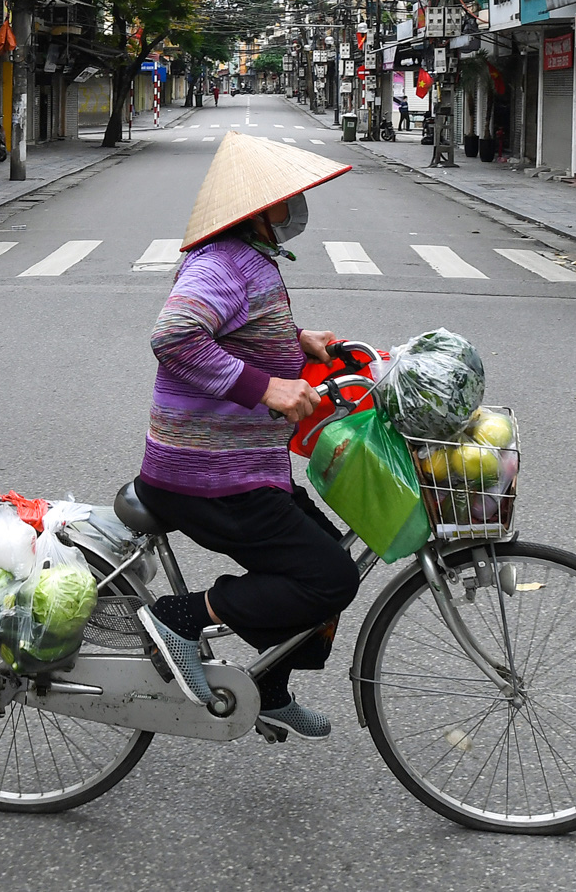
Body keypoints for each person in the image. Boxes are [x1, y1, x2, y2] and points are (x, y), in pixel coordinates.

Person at [135, 133, 359, 741]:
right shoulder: (224, 261)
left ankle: (268, 686)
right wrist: (268, 389)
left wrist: (299, 341)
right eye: (288, 199)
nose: (297, 209)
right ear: (258, 211)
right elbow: (175, 337)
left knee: (328, 557)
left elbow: (236, 326)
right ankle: (181, 619)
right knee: (329, 578)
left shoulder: (244, 258)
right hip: (206, 473)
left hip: (239, 467)